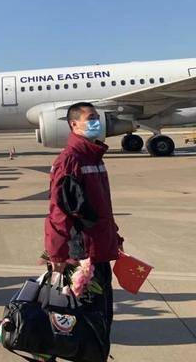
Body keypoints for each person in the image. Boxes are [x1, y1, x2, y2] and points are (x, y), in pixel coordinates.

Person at [45, 102, 124, 358]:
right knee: (90, 328)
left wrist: (114, 235)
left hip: (101, 252)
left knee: (103, 321)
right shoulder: (70, 161)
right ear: (73, 124)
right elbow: (59, 213)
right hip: (83, 259)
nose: (96, 122)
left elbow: (100, 207)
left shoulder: (94, 157)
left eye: (97, 117)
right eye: (90, 118)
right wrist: (57, 255)